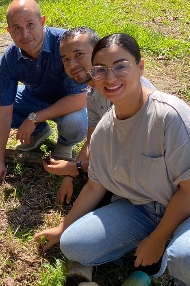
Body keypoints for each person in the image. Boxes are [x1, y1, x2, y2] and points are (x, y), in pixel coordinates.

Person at [34, 33, 190, 286]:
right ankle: (156, 246)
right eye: (100, 70)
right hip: (144, 208)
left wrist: (157, 239)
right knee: (74, 245)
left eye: (121, 66)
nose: (110, 77)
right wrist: (61, 227)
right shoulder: (105, 129)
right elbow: (95, 186)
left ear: (140, 67)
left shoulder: (171, 115)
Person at [0, 0, 87, 184]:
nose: (25, 34)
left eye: (30, 24)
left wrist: (34, 117)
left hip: (68, 101)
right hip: (34, 97)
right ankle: (39, 132)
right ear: (9, 31)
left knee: (76, 123)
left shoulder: (65, 44)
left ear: (42, 21)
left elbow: (80, 98)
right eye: (17, 28)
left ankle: (65, 143)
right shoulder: (8, 59)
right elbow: (4, 112)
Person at [44, 27, 156, 206]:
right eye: (65, 59)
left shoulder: (124, 89)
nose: (72, 64)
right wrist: (70, 175)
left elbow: (126, 154)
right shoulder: (93, 94)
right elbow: (93, 142)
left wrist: (77, 168)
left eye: (79, 54)